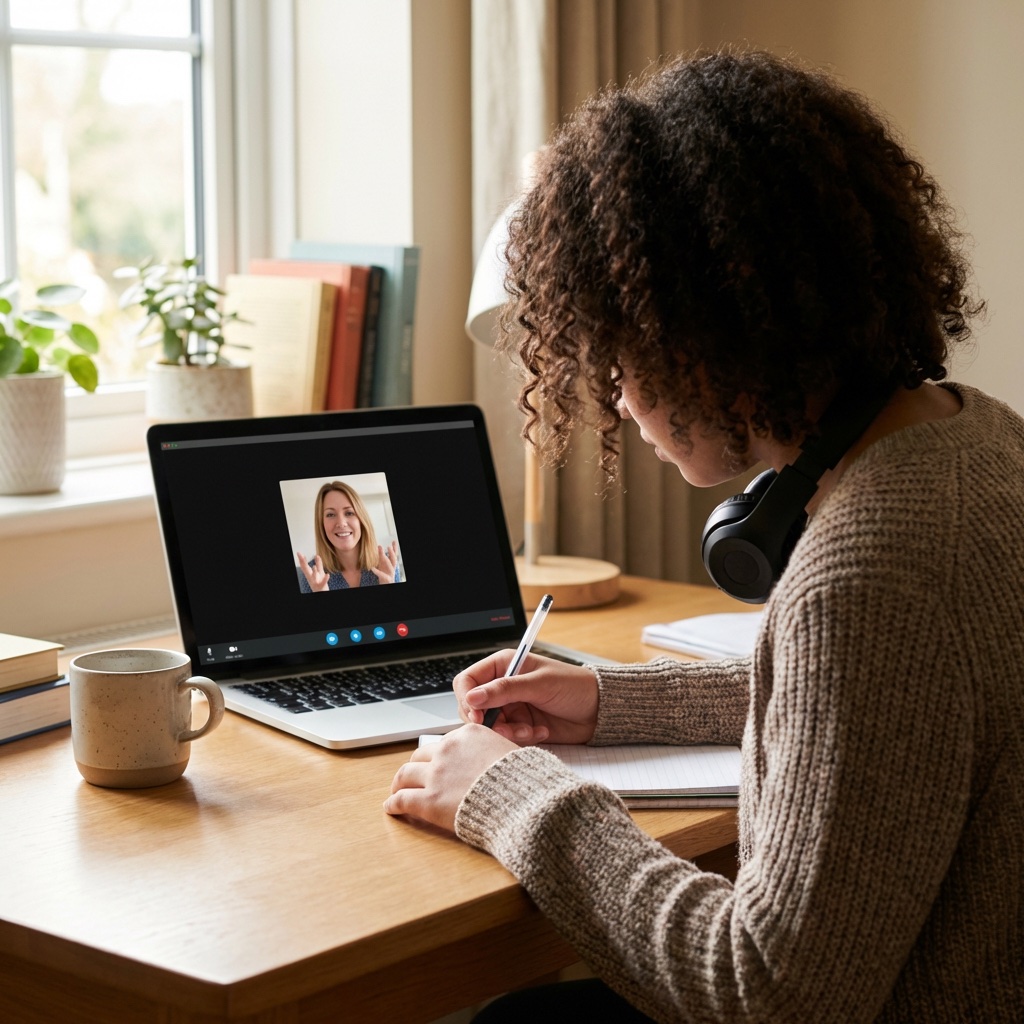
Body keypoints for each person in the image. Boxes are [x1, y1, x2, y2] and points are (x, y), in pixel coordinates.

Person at [383, 50, 1024, 1022]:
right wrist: (616, 702)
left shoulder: (867, 574)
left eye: (619, 351)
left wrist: (516, 797)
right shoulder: (974, 433)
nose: (616, 396)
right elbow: (888, 720)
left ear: (697, 333)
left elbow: (766, 993)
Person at [296, 480, 400, 592]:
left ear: (361, 520)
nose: (341, 523)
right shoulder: (312, 574)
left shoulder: (387, 564)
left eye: (349, 513)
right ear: (321, 524)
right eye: (330, 514)